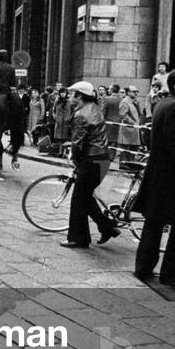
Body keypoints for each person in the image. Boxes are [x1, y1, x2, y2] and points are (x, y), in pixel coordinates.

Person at [133, 68, 175, 288]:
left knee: (153, 223)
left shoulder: (163, 104)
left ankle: (143, 268)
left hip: (159, 175)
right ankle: (173, 274)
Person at [61, 81, 118, 248]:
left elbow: (78, 143)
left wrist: (75, 159)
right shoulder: (94, 107)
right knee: (85, 197)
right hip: (102, 159)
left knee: (78, 199)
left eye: (72, 94)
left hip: (91, 160)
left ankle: (79, 238)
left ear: (79, 96)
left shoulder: (80, 115)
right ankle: (108, 227)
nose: (70, 97)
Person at [117, 86, 143, 162]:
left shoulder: (135, 101)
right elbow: (123, 114)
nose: (136, 93)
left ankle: (131, 164)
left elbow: (138, 114)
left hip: (135, 128)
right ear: (128, 93)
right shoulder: (124, 101)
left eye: (137, 91)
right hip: (128, 129)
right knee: (125, 148)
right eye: (134, 91)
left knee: (133, 147)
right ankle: (124, 164)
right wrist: (132, 122)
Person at [101, 84, 122, 159]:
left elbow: (103, 111)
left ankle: (106, 155)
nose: (108, 90)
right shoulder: (121, 99)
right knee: (114, 141)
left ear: (112, 90)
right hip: (118, 122)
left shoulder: (106, 99)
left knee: (106, 139)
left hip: (108, 122)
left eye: (109, 89)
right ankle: (112, 156)